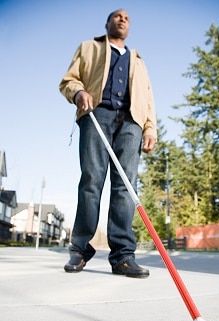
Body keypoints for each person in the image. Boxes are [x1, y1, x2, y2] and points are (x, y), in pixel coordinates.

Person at [59, 9, 157, 278]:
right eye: (117, 16)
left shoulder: (139, 61)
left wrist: (150, 129)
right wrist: (78, 91)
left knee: (126, 187)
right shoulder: (88, 47)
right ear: (107, 23)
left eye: (127, 17)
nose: (123, 19)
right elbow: (69, 80)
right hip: (96, 114)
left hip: (132, 123)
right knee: (92, 180)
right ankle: (79, 249)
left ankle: (123, 256)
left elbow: (148, 100)